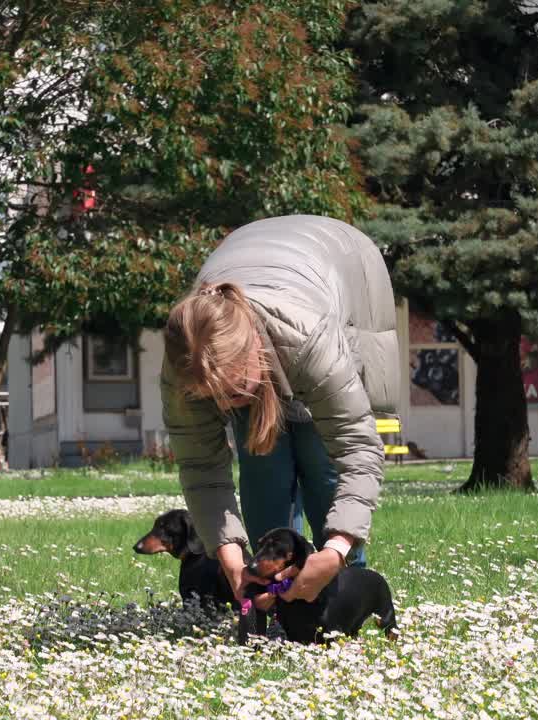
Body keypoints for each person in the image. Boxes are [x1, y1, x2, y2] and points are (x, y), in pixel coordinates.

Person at [161, 215, 399, 610]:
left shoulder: (309, 339)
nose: (229, 402)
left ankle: (345, 592)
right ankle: (282, 598)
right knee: (264, 472)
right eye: (218, 397)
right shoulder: (187, 361)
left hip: (344, 263)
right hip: (265, 264)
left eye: (238, 388)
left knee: (323, 469)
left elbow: (357, 449)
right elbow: (202, 471)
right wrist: (233, 561)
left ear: (256, 348)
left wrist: (336, 549)